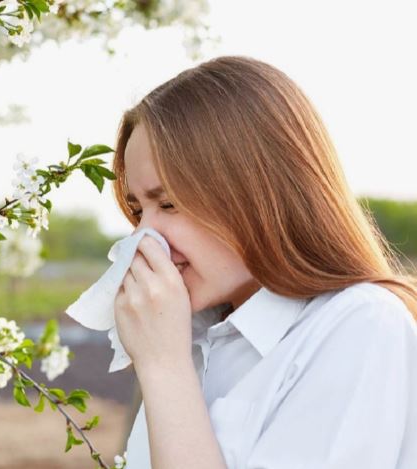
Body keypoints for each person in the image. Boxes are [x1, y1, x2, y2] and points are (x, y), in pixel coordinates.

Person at [111, 55, 417, 468]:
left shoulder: (358, 325)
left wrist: (165, 369)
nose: (145, 237)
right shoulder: (193, 337)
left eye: (169, 203)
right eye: (137, 211)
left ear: (259, 191)